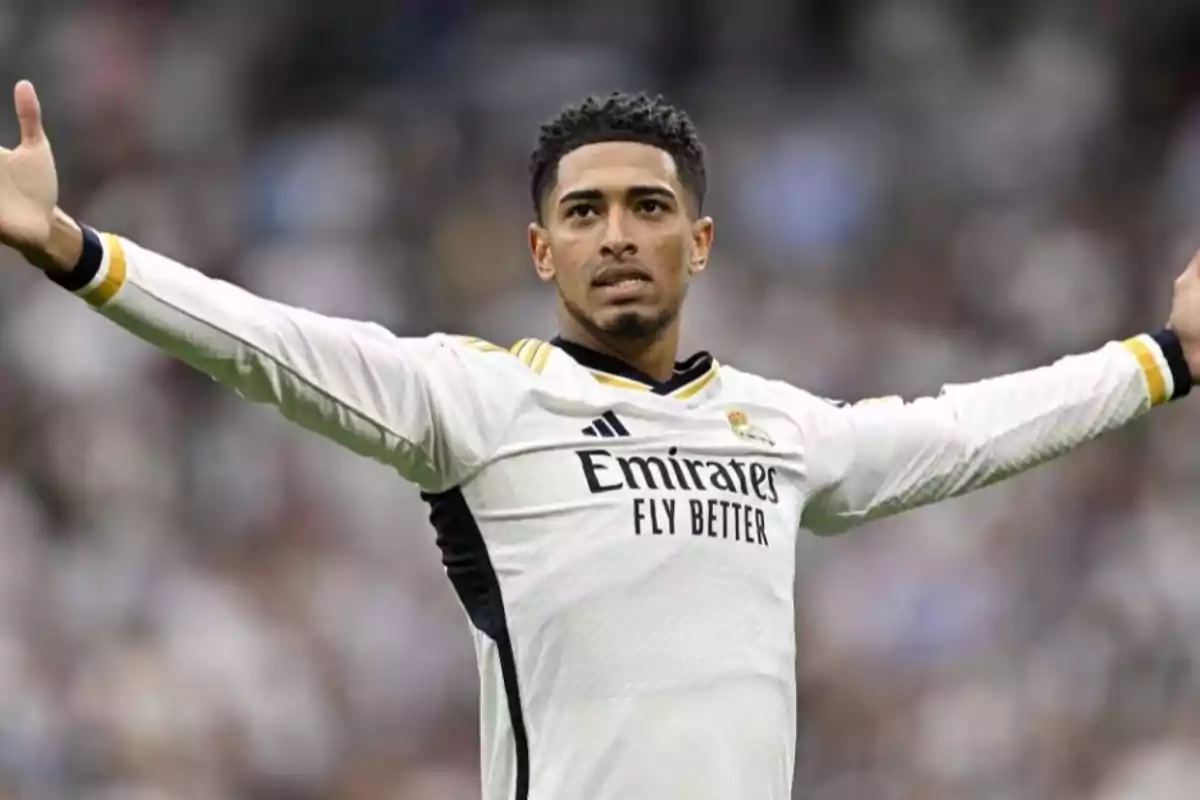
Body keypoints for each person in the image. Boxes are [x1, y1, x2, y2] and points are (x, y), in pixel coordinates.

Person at [1, 80, 1197, 800]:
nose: (616, 233)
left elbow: (962, 432)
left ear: (702, 240)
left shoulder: (781, 429)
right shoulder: (473, 401)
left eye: (647, 207)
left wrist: (1168, 357)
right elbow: (265, 342)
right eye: (584, 212)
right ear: (542, 252)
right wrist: (71, 247)